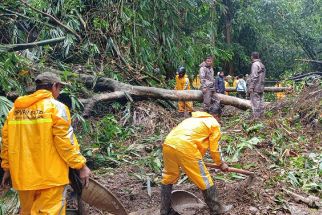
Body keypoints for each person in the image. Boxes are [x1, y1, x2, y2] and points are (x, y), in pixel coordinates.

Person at [1, 72, 91, 214]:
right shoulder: (56, 108)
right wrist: (80, 166)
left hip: (23, 178)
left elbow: (6, 142)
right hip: (51, 178)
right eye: (59, 88)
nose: (59, 92)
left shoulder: (15, 111)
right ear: (54, 86)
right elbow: (65, 142)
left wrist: (7, 168)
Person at [160, 107, 232, 215]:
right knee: (205, 179)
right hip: (186, 147)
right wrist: (221, 163)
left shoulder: (192, 119)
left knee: (168, 177)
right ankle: (217, 209)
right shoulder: (214, 123)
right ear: (217, 116)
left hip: (168, 144)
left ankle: (165, 211)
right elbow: (214, 149)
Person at [248, 52, 266, 119]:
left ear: (252, 57)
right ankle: (262, 118)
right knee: (261, 103)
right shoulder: (262, 65)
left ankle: (256, 118)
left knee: (255, 104)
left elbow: (254, 77)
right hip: (261, 87)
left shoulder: (255, 64)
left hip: (255, 87)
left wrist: (251, 87)